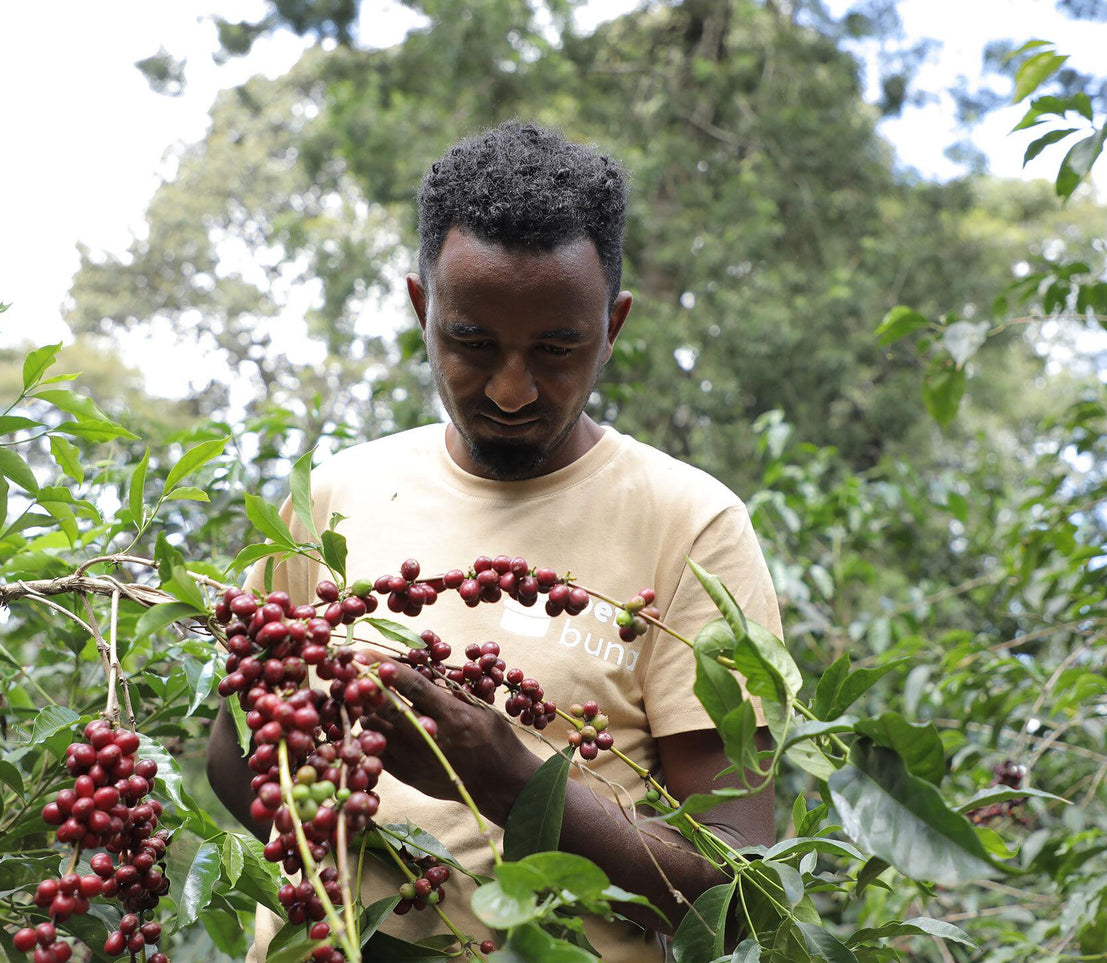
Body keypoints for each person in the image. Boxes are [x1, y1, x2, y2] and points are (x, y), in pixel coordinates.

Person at [207, 120, 781, 962]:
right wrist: (366, 847)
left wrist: (509, 781)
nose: (512, 390)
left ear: (612, 326)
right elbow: (237, 754)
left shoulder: (690, 526)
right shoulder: (331, 497)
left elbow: (740, 896)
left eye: (556, 348)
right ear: (421, 309)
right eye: (471, 343)